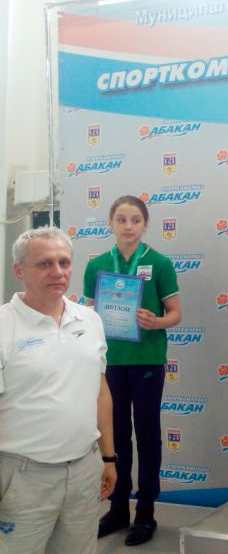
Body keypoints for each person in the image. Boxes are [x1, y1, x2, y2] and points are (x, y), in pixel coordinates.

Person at [0, 227, 116, 553]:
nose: (58, 272)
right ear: (19, 270)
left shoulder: (90, 320)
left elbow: (100, 392)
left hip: (84, 470)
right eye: (44, 264)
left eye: (64, 262)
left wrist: (108, 457)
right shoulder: (4, 326)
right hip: (22, 477)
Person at [83, 195, 181, 546]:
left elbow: (175, 314)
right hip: (110, 362)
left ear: (145, 225)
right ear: (110, 223)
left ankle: (146, 513)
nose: (128, 226)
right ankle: (118, 509)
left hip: (147, 360)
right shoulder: (97, 265)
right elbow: (88, 314)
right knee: (116, 435)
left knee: (148, 435)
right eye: (121, 219)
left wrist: (156, 322)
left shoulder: (159, 263)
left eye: (135, 220)